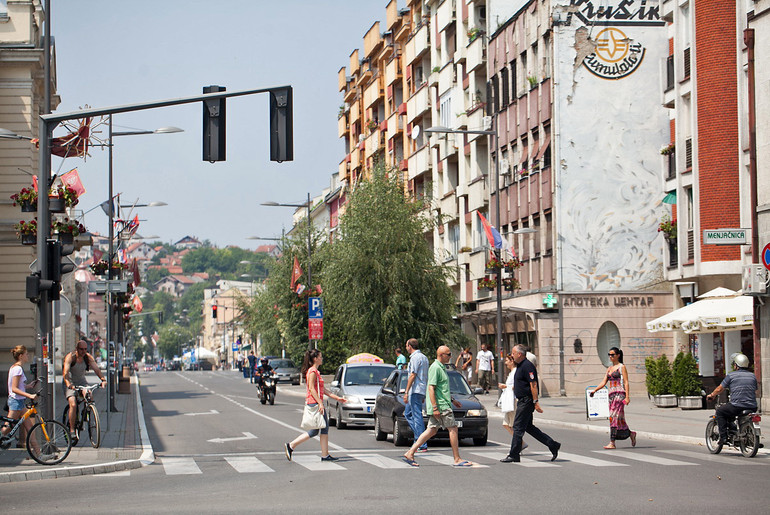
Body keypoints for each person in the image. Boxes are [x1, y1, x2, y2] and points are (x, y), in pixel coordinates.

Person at [401, 346, 473, 467]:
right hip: (441, 405)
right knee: (453, 428)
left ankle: (410, 452)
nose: (450, 357)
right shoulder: (435, 368)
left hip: (443, 403)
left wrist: (453, 400)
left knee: (432, 430)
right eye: (448, 354)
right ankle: (457, 459)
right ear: (441, 355)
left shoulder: (441, 367)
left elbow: (441, 389)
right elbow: (431, 388)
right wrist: (435, 407)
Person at [500, 344, 561, 463]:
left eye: (513, 353)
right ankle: (552, 444)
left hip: (526, 401)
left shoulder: (527, 366)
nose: (512, 355)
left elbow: (533, 385)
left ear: (519, 354)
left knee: (517, 427)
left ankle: (514, 454)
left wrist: (535, 401)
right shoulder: (521, 366)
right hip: (523, 400)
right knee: (528, 427)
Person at [284, 349, 347, 462]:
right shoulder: (312, 372)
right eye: (320, 357)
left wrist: (337, 398)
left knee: (321, 429)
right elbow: (312, 389)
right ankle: (292, 445)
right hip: (314, 402)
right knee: (320, 429)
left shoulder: (316, 372)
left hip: (315, 402)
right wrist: (319, 403)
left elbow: (323, 390)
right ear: (315, 359)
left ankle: (324, 454)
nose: (322, 359)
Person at [589, 347, 636, 449]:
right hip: (611, 395)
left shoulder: (621, 367)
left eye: (612, 355)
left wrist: (627, 397)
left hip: (620, 394)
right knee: (618, 418)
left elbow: (627, 382)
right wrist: (594, 390)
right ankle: (630, 433)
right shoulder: (609, 369)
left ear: (618, 355)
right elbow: (604, 382)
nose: (610, 357)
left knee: (613, 417)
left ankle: (612, 442)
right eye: (609, 355)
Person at [706, 353, 758, 445]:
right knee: (733, 414)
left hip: (736, 406)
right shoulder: (752, 376)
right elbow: (755, 389)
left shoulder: (731, 376)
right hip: (752, 406)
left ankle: (723, 438)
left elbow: (720, 389)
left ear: (737, 365)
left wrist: (712, 395)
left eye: (734, 364)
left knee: (720, 412)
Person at [62, 340, 107, 441]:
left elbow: (97, 369)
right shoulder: (71, 357)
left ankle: (88, 411)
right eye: (81, 349)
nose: (83, 351)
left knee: (89, 394)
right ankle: (72, 430)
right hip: (70, 382)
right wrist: (69, 384)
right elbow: (65, 372)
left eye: (85, 349)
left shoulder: (87, 357)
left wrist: (103, 379)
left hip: (82, 382)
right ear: (77, 349)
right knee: (73, 404)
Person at [2, 346, 38, 445]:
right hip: (16, 402)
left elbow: (18, 386)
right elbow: (14, 388)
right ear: (21, 356)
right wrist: (30, 396)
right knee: (7, 428)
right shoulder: (18, 369)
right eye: (26, 354)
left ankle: (39, 455)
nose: (28, 355)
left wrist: (27, 386)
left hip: (19, 402)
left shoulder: (14, 367)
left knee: (30, 428)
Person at [402, 338, 429, 453]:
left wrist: (406, 391)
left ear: (410, 346)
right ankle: (419, 437)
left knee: (417, 415)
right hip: (422, 389)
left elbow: (412, 375)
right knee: (407, 413)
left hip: (415, 390)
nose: (406, 348)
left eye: (406, 345)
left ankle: (421, 442)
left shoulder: (414, 358)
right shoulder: (424, 357)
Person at [498, 353, 527, 450]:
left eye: (507, 361)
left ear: (511, 361)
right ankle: (521, 443)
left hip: (513, 401)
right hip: (508, 401)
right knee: (506, 424)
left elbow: (516, 386)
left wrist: (504, 386)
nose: (505, 363)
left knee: (514, 425)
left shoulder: (515, 372)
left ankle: (518, 445)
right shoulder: (511, 373)